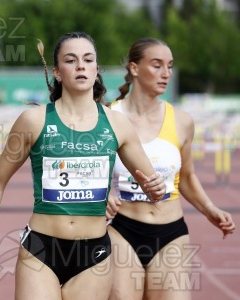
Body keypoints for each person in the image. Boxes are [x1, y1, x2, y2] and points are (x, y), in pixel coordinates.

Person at [0, 32, 166, 300]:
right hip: (41, 250)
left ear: (96, 70)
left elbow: (153, 187)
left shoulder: (117, 124)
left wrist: (154, 187)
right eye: (71, 60)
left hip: (93, 256)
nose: (80, 66)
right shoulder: (33, 121)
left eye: (88, 60)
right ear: (57, 72)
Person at [106, 37, 236, 300]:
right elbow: (87, 172)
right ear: (134, 68)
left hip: (170, 232)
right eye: (157, 65)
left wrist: (210, 210)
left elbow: (186, 176)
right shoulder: (108, 117)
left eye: (170, 66)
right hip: (122, 230)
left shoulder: (182, 121)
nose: (166, 73)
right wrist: (103, 195)